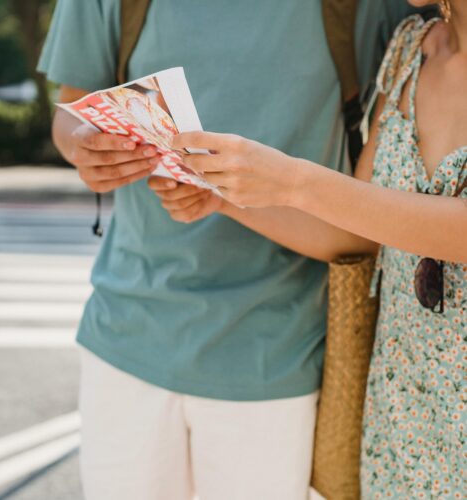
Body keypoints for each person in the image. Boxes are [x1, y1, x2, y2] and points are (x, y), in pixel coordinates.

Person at [38, 1, 415, 498]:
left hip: (279, 355)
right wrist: (85, 146)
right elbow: (71, 109)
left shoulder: (376, 8)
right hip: (127, 338)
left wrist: (228, 197)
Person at [150, 1, 466, 497]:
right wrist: (228, 197)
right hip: (403, 422)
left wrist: (294, 180)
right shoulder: (410, 46)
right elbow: (359, 236)